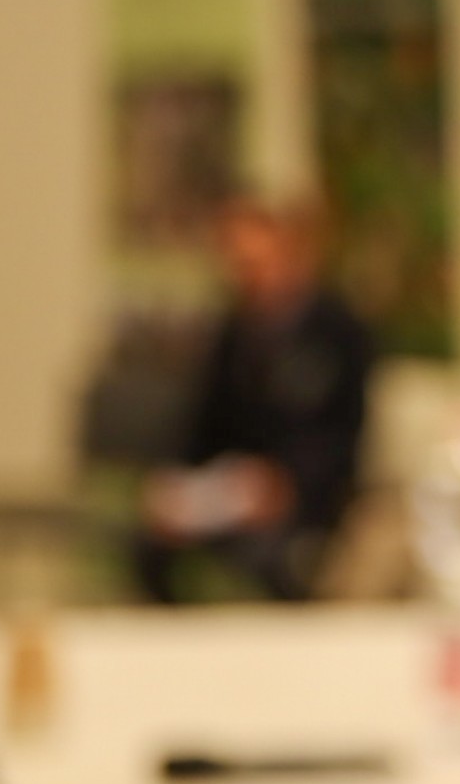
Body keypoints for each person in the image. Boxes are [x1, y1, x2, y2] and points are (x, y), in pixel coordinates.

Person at [133, 197, 373, 602]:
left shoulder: (340, 333)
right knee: (150, 545)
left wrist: (286, 486)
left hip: (309, 501)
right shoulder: (234, 333)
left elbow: (343, 438)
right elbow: (203, 425)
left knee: (270, 559)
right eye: (237, 265)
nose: (247, 277)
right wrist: (175, 486)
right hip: (231, 494)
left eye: (257, 263)